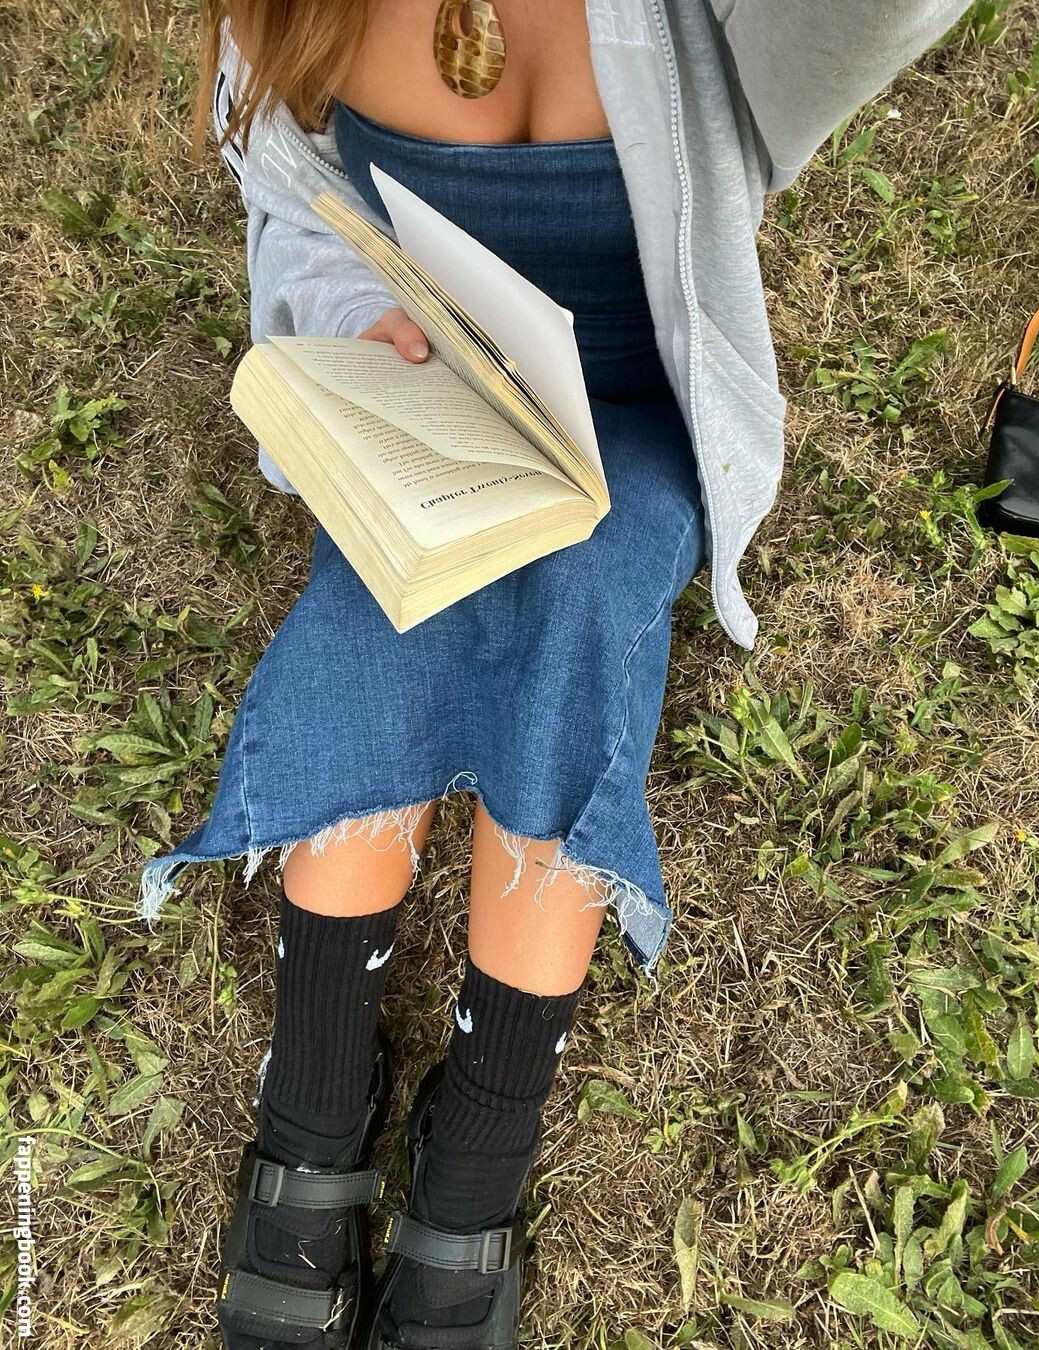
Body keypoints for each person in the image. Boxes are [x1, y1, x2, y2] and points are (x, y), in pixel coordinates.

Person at [139, 2, 969, 1346]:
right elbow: (293, 192)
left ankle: (479, 1144)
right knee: (376, 611)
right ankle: (314, 1104)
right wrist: (361, 319)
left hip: (632, 424)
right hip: (440, 405)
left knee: (583, 607)